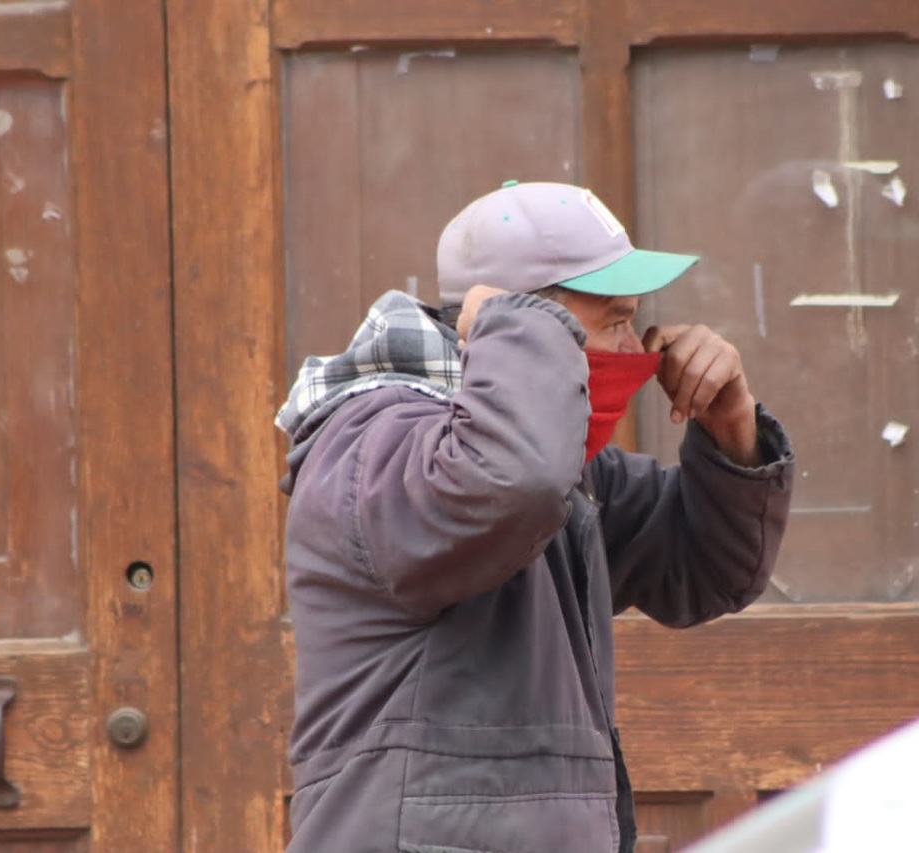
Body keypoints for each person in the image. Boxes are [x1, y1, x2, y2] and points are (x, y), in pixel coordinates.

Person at [276, 180, 794, 853]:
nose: (636, 348)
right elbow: (507, 485)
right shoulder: (373, 442)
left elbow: (707, 571)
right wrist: (517, 328)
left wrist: (731, 429)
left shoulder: (561, 469)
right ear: (506, 326)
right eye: (613, 320)